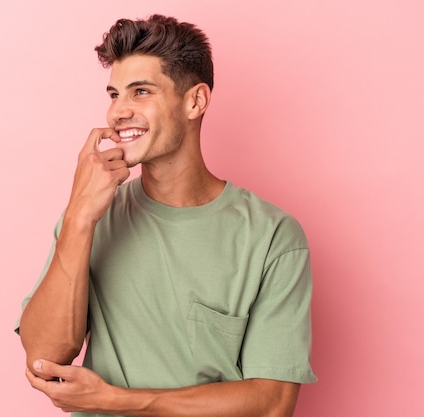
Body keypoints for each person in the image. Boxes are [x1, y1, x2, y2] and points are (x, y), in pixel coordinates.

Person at [16, 14, 316, 417]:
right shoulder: (88, 215)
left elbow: (272, 404)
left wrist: (116, 401)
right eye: (113, 94)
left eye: (140, 91)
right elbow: (45, 358)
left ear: (195, 101)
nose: (118, 112)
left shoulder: (273, 236)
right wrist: (80, 216)